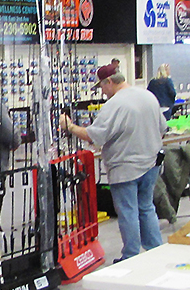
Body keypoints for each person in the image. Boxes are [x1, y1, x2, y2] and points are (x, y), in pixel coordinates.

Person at [60, 63, 166, 260]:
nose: (103, 92)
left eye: (102, 87)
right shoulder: (148, 96)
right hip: (151, 164)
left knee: (128, 212)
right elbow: (162, 127)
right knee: (146, 207)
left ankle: (131, 256)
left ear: (109, 81)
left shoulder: (114, 105)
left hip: (125, 169)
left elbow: (93, 136)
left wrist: (70, 126)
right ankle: (156, 251)